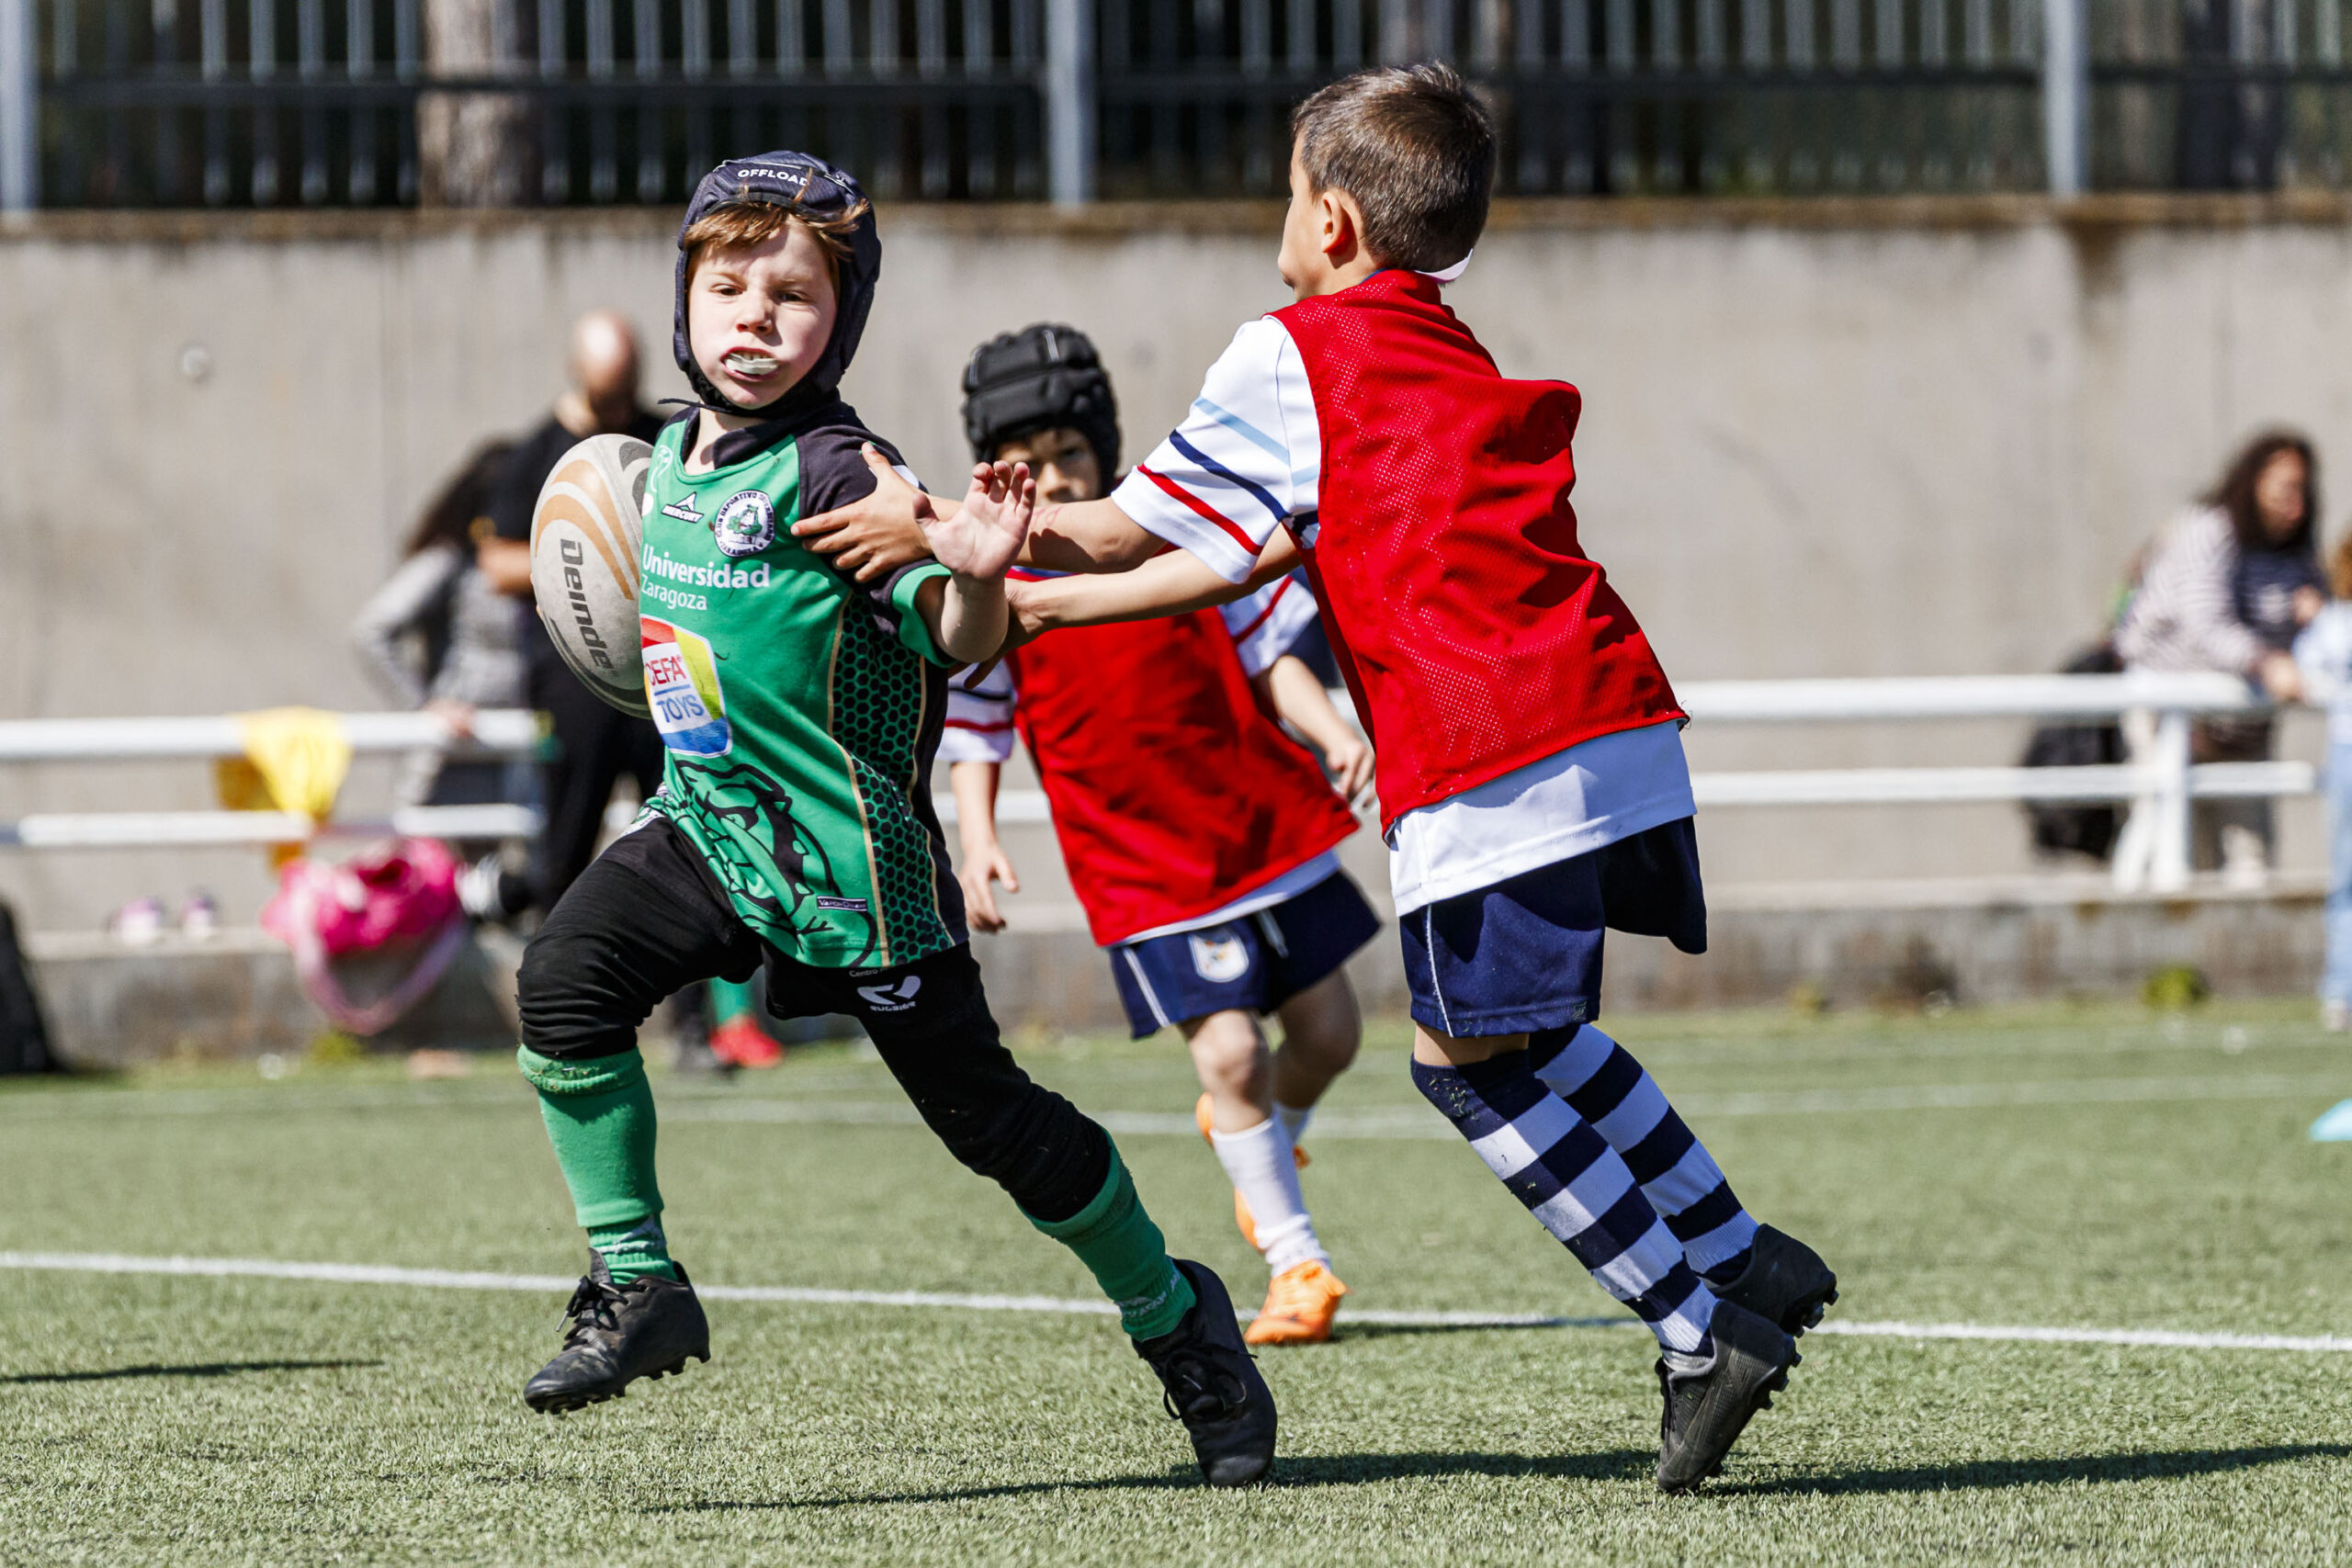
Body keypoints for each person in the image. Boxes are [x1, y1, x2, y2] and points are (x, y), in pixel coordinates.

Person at [796, 66, 1833, 1495]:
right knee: (1533, 1037)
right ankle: (1736, 1243)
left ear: (1332, 221)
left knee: (1456, 1067)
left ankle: (1695, 1320)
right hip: (1614, 718)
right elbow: (1233, 556)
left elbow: (1122, 532)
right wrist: (1026, 603)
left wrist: (938, 524)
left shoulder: (1294, 347)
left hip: (1492, 746)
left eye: (1290, 193)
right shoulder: (1438, 343)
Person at [510, 152, 1277, 1490]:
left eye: (793, 295)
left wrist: (970, 572)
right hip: (710, 829)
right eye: (727, 284)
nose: (753, 314)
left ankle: (1178, 1314)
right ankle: (637, 1280)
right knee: (562, 982)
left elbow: (955, 641)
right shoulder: (665, 462)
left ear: (839, 322)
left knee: (998, 1128)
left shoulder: (839, 469)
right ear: (683, 300)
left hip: (855, 869)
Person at [944, 322, 1380, 1346]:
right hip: (1141, 865)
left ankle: (1263, 1143)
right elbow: (976, 722)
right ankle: (1294, 1265)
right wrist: (976, 835)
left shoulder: (1174, 533)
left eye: (1070, 459)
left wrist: (1329, 730)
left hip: (1258, 822)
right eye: (1030, 465)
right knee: (1231, 1055)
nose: (1051, 482)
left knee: (1331, 1037)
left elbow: (1273, 646)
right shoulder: (997, 587)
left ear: (1104, 453)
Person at [476, 310, 670, 921]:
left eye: (627, 388)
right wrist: (589, 560)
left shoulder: (660, 440)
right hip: (574, 682)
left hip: (658, 674)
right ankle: (557, 998)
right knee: (567, 842)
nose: (619, 406)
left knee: (680, 841)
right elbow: (497, 564)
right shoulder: (539, 452)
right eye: (607, 392)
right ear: (579, 376)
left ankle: (694, 1013)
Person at [2115, 432, 2324, 886]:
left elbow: (2318, 623)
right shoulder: (2210, 528)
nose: (2297, 505)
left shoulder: (2296, 551)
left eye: (2303, 490)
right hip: (2175, 715)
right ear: (2253, 481)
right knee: (2169, 847)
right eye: (2286, 488)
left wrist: (2318, 616)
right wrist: (2266, 662)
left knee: (2251, 858)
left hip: (2245, 724)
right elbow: (2204, 623)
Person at [350, 440, 537, 823]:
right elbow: (371, 631)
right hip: (453, 761)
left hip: (523, 760)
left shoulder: (542, 566)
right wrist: (425, 705)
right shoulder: (452, 562)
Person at [2296, 532, 2352, 1031]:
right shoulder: (2334, 624)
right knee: (2346, 877)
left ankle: (2340, 989)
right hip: (2347, 752)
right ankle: (2341, 987)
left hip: (2345, 752)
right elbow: (2303, 672)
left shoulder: (2330, 625)